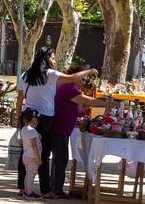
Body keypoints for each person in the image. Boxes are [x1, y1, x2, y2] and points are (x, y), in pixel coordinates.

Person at [14, 47, 97, 199]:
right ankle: (45, 190)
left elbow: (20, 98)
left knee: (26, 152)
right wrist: (89, 71)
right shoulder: (50, 74)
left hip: (28, 117)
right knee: (43, 155)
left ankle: (22, 187)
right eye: (52, 58)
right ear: (46, 59)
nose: (55, 60)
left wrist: (19, 116)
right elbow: (72, 78)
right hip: (45, 118)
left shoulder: (26, 75)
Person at [48, 63, 116, 197]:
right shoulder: (68, 89)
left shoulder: (72, 89)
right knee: (60, 159)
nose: (83, 81)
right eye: (82, 78)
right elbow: (86, 101)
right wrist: (108, 103)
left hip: (63, 129)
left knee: (61, 159)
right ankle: (56, 190)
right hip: (58, 128)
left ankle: (56, 188)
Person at [19, 107, 42, 198]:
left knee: (28, 174)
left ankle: (27, 190)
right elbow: (34, 145)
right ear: (34, 119)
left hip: (26, 156)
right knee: (31, 176)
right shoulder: (32, 131)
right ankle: (29, 193)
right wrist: (38, 158)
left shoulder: (24, 129)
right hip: (32, 157)